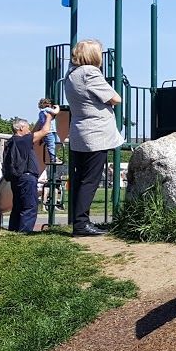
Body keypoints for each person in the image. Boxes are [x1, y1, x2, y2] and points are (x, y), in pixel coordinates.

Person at [64, 38, 123, 236]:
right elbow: (115, 98)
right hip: (96, 133)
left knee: (81, 178)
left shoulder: (71, 74)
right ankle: (82, 224)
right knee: (90, 180)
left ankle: (79, 222)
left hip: (80, 131)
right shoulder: (90, 73)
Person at [2, 114, 55, 233]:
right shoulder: (24, 140)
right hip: (27, 177)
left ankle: (14, 230)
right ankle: (25, 232)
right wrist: (49, 117)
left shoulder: (11, 142)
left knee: (18, 206)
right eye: (27, 127)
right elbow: (45, 131)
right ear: (20, 128)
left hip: (16, 178)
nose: (29, 130)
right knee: (30, 206)